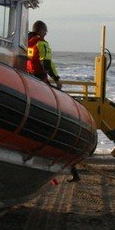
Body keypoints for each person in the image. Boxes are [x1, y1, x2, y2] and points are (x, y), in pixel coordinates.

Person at [27, 21, 75, 181]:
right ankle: (73, 170)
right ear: (40, 31)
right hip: (41, 80)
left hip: (30, 80)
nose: (46, 34)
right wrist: (57, 79)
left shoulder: (27, 43)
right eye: (45, 31)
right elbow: (46, 63)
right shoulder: (42, 44)